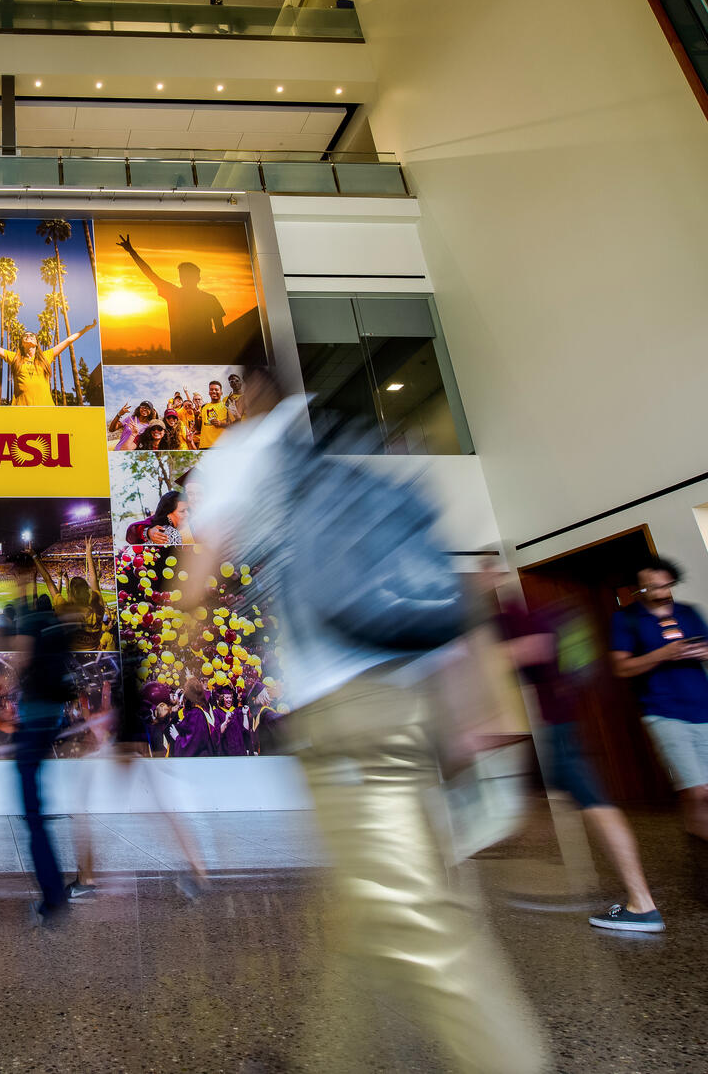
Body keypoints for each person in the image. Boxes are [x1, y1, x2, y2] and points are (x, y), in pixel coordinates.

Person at [187, 366, 546, 1074]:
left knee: (417, 918)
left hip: (346, 711)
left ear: (251, 388)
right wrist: (472, 702)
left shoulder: (243, 453)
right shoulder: (356, 442)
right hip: (412, 697)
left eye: (235, 388)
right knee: (368, 908)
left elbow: (199, 575)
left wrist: (190, 644)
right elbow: (438, 580)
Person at [485, 570, 661, 931]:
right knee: (546, 801)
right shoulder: (511, 616)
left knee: (595, 804)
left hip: (557, 728)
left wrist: (486, 660)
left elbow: (533, 649)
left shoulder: (520, 616)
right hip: (552, 727)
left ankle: (642, 904)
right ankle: (539, 881)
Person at [610, 556, 708, 912]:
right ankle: (696, 835)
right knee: (697, 790)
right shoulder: (627, 618)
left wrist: (707, 651)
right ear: (639, 589)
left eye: (665, 585)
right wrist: (662, 654)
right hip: (664, 712)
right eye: (652, 587)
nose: (661, 593)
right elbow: (621, 667)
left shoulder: (690, 613)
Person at [9, 552, 80, 921]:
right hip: (50, 715)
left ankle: (53, 897)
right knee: (34, 802)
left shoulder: (28, 618)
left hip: (34, 716)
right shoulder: (53, 619)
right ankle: (53, 894)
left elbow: (21, 660)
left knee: (32, 811)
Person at [116, 234, 227, 362]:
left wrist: (132, 252)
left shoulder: (181, 295)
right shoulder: (197, 297)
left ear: (197, 278)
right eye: (183, 276)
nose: (183, 278)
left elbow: (220, 330)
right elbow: (150, 274)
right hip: (187, 352)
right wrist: (132, 252)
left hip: (200, 352)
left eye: (186, 276)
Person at [0, 320, 97, 406]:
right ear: (22, 343)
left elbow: (67, 341)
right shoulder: (14, 357)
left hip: (46, 408)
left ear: (37, 343)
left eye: (32, 335)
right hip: (20, 409)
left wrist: (85, 329)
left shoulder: (46, 356)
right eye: (25, 335)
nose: (29, 336)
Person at [125, 490, 190, 546]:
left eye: (188, 510)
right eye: (182, 511)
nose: (188, 514)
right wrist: (147, 533)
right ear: (169, 515)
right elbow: (132, 531)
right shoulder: (170, 534)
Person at [197, 380, 231, 448]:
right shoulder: (204, 407)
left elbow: (234, 424)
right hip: (204, 446)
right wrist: (196, 417)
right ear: (209, 392)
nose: (214, 391)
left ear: (221, 392)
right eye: (211, 389)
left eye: (216, 389)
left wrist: (221, 423)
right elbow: (199, 427)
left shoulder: (227, 406)